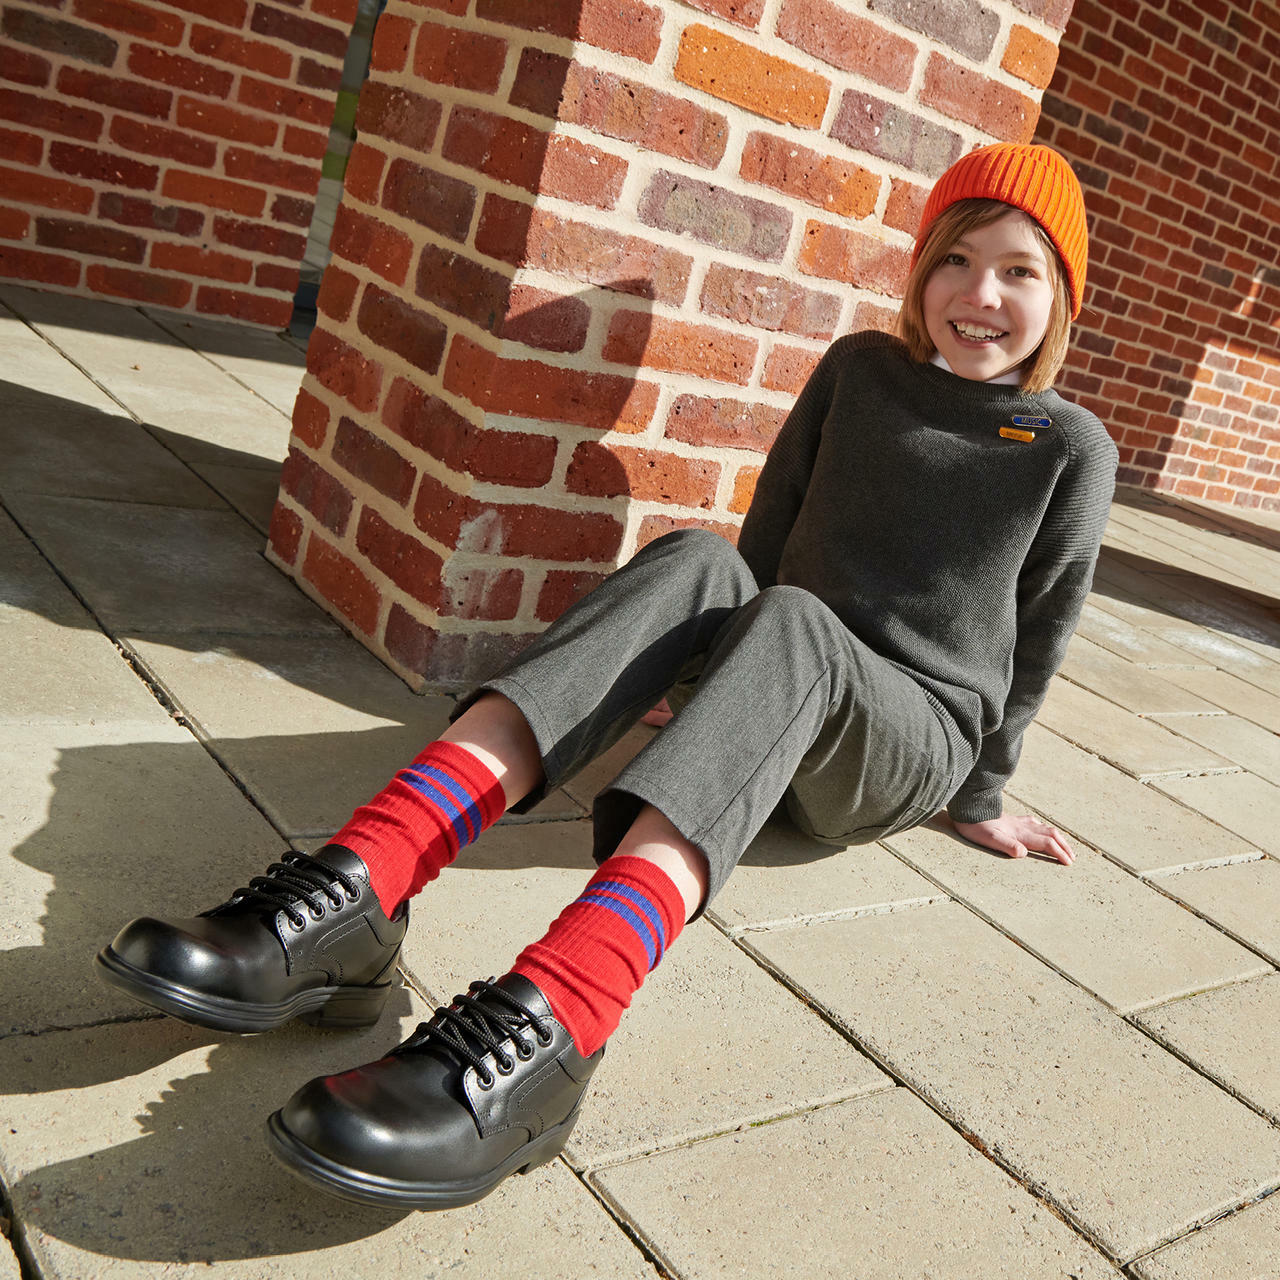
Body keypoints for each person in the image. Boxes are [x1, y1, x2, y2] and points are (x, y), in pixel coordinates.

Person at [95, 143, 1118, 1212]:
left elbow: (1036, 636)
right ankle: (358, 885)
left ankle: (562, 1019)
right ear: (919, 271)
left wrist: (982, 797)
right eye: (955, 258)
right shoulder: (858, 371)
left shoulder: (1065, 446)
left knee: (794, 623)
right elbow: (763, 540)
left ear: (1059, 299)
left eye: (1018, 270)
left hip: (901, 738)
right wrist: (728, 693)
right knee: (696, 554)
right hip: (789, 668)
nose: (979, 293)